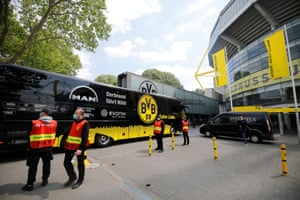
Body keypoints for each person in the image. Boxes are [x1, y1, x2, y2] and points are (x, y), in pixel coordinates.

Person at [22, 109, 57, 191]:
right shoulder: (54, 123)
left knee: (33, 167)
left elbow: (28, 136)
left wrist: (28, 147)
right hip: (48, 149)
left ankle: (30, 184)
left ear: (44, 114)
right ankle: (45, 180)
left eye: (41, 112)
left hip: (35, 149)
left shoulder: (34, 123)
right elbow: (55, 134)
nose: (40, 114)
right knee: (47, 165)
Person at [63, 108, 89, 189]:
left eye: (76, 113)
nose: (74, 114)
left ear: (80, 114)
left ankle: (80, 180)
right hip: (70, 146)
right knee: (66, 162)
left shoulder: (85, 123)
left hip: (79, 148)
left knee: (80, 165)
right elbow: (71, 131)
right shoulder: (75, 122)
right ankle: (72, 177)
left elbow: (85, 138)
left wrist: (80, 149)